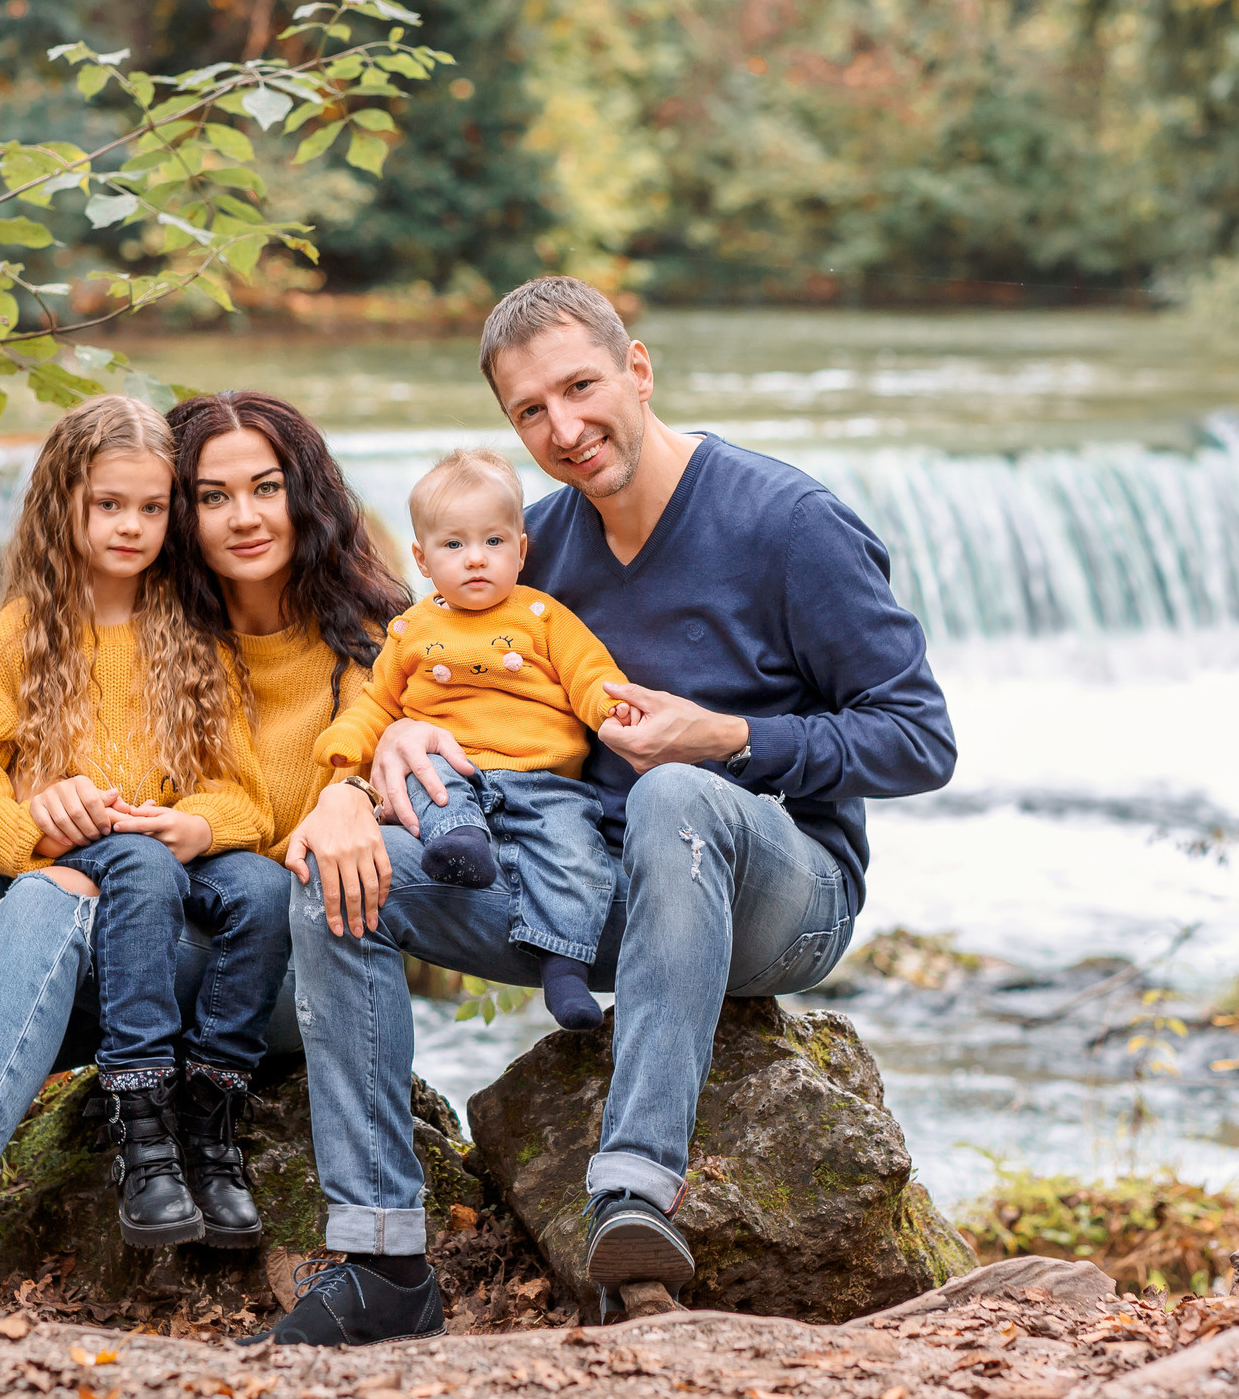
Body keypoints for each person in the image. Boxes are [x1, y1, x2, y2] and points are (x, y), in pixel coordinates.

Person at [258, 277, 956, 1345]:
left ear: (637, 370)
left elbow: (918, 741)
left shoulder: (788, 524)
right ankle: (382, 1257)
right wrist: (379, 756)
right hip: (583, 884)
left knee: (679, 789)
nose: (563, 428)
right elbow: (412, 675)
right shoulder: (524, 554)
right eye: (529, 412)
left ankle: (630, 1192)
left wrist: (729, 739)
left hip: (782, 892)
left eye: (580, 387)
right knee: (340, 881)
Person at [0, 390, 404, 1304]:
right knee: (47, 911)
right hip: (145, 932)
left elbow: (266, 805)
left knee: (18, 954)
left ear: (311, 493)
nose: (242, 516)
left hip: (286, 963)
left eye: (266, 488)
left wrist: (342, 795)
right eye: (212, 495)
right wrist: (42, 825)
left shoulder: (382, 648)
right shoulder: (159, 624)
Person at [314, 448, 633, 1031]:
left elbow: (588, 672)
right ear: (422, 558)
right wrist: (345, 744)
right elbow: (379, 704)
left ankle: (564, 969)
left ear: (521, 548)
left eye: (493, 542)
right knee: (427, 790)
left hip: (542, 780)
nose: (476, 560)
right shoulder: (411, 629)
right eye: (454, 545)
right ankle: (461, 847)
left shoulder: (542, 616)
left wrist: (613, 709)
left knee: (576, 855)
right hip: (451, 768)